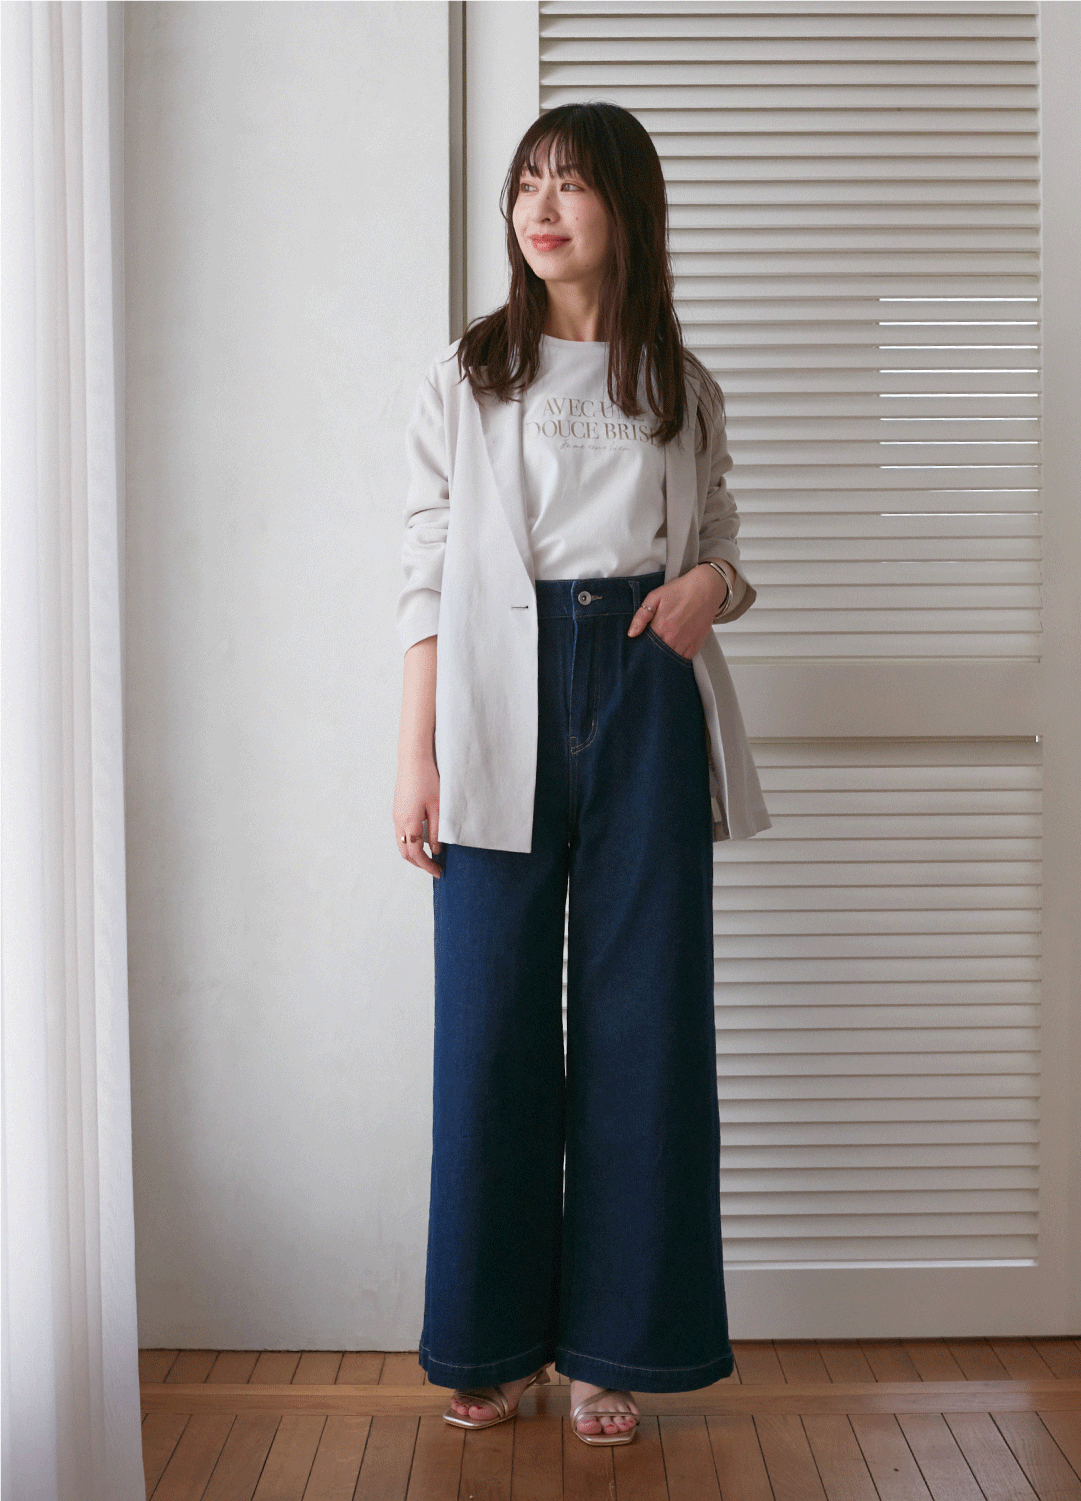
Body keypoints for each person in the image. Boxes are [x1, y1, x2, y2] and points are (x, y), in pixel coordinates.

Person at [393, 101, 770, 1447]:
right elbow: (426, 567)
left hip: (644, 687)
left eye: (569, 184)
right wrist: (417, 755)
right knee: (491, 1029)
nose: (540, 209)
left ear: (627, 205)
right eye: (525, 186)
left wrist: (710, 588)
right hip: (498, 696)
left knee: (644, 1028)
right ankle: (491, 1341)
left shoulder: (678, 382)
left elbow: (722, 545)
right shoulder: (471, 372)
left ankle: (615, 1349)